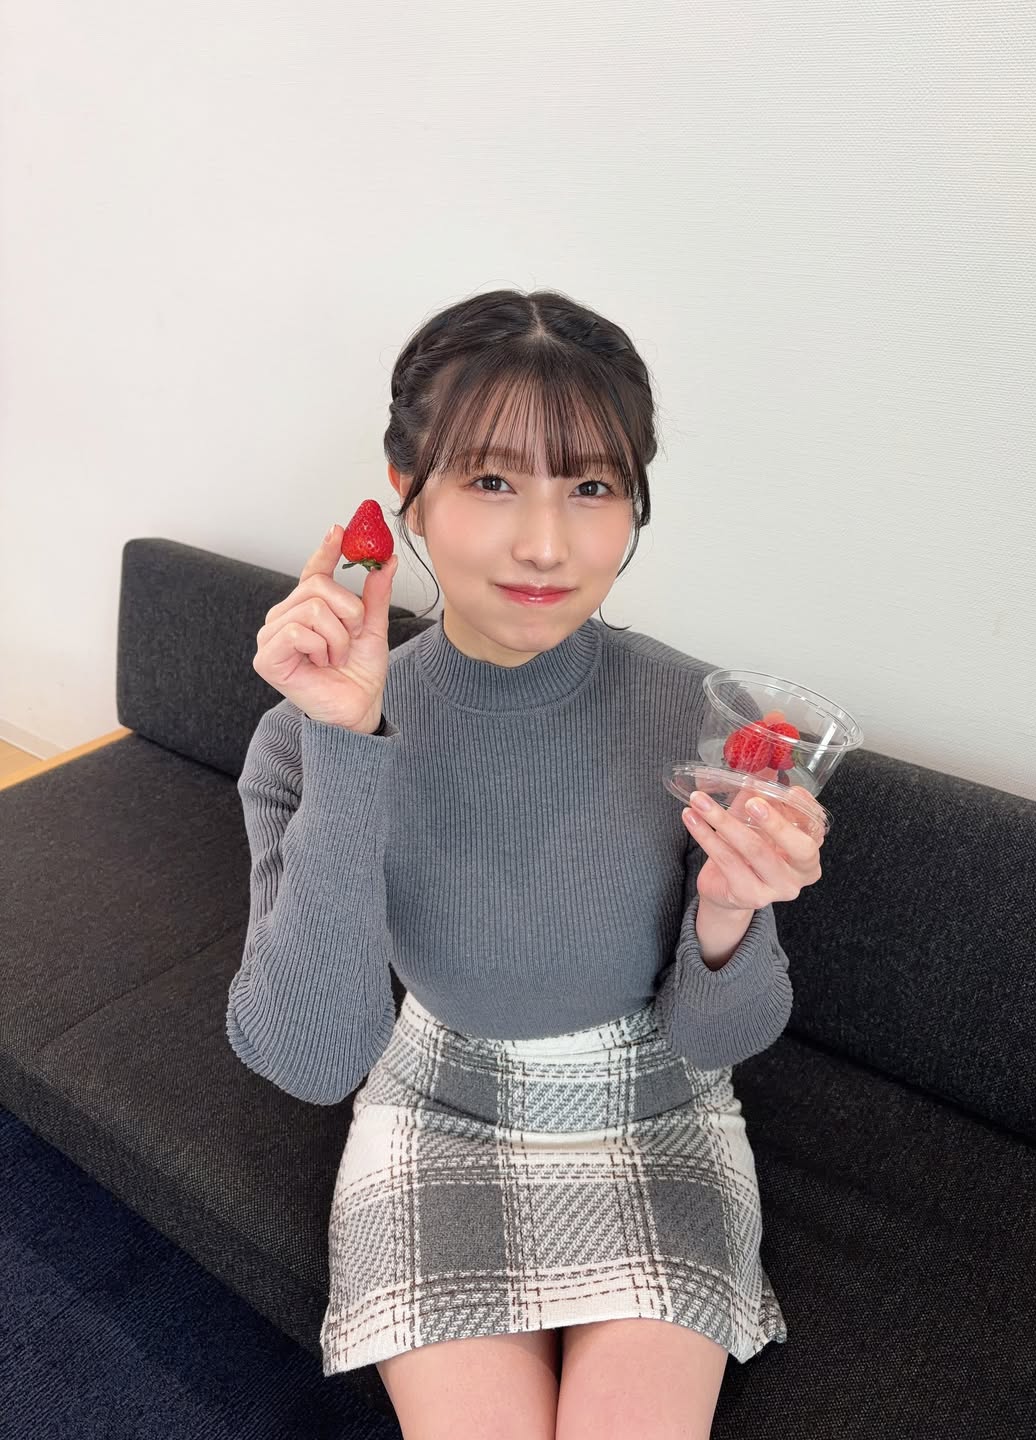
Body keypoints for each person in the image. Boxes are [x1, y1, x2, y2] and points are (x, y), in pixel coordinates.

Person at [226, 288, 827, 1440]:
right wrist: (348, 745)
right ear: (406, 490)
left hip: (657, 1106)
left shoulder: (705, 720)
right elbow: (312, 1056)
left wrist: (727, 909)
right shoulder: (303, 740)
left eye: (591, 487)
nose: (547, 544)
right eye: (493, 481)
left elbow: (723, 1037)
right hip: (438, 1099)